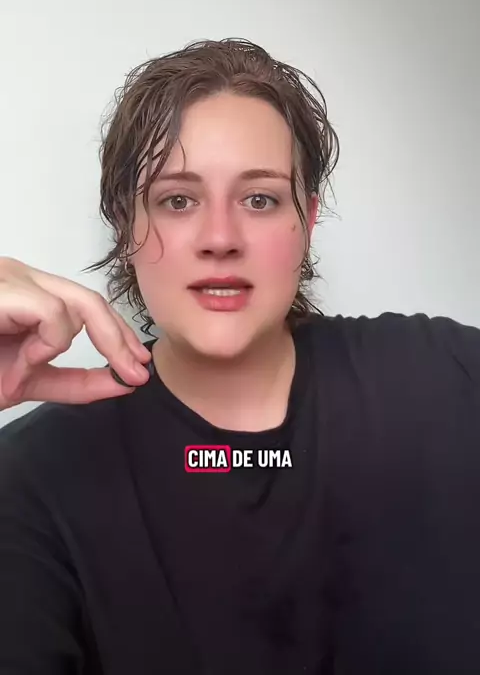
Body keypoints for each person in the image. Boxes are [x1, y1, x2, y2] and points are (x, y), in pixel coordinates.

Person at [0, 38, 479, 675]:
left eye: (260, 199)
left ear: (307, 219)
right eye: (177, 200)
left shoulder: (447, 379)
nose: (220, 238)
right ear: (125, 224)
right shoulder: (31, 478)